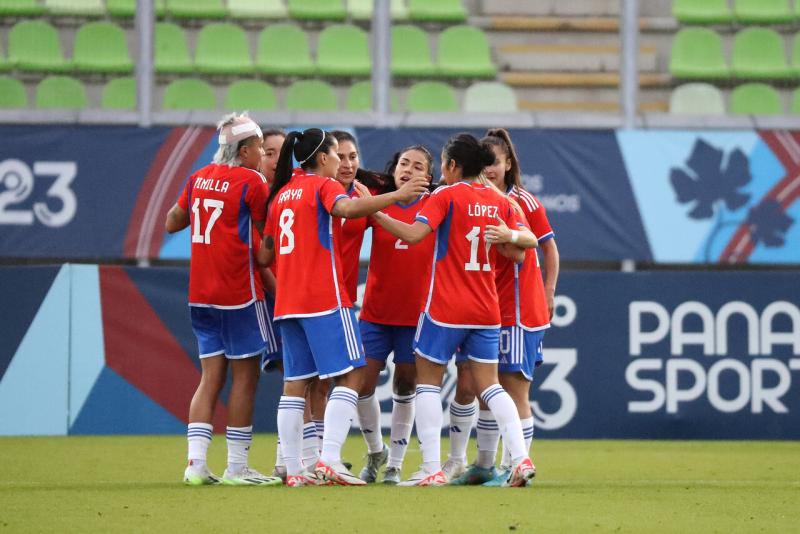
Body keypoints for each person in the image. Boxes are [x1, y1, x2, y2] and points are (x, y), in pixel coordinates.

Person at [258, 128, 429, 487]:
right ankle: (330, 460)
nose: (341, 163)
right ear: (322, 158)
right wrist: (396, 195)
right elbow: (347, 208)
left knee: (294, 385)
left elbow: (265, 253)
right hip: (323, 298)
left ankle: (294, 470)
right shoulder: (323, 186)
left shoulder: (281, 195)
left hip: (288, 304)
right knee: (353, 375)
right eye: (337, 155)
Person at [370, 133, 539, 487]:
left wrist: (378, 214)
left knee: (428, 385)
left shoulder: (446, 195)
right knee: (491, 387)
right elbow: (521, 251)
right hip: (486, 309)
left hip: (444, 308)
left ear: (451, 165)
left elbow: (415, 235)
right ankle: (521, 459)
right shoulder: (499, 202)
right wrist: (508, 238)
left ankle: (432, 468)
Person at [165, 112, 281, 486]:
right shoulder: (253, 182)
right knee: (245, 378)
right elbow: (264, 249)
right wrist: (271, 251)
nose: (262, 153)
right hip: (238, 292)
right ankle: (236, 466)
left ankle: (196, 465)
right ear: (245, 150)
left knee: (210, 377)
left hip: (200, 293)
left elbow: (171, 221)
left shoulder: (198, 177)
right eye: (260, 147)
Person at [449, 128, 560, 486]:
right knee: (476, 386)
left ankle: (516, 466)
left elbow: (542, 248)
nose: (490, 169)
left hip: (516, 309)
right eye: (486, 163)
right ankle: (483, 464)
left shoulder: (521, 202)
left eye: (496, 162)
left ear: (508, 163)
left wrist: (549, 291)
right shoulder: (473, 198)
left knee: (513, 387)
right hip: (483, 308)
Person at [355, 145, 436, 484]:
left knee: (406, 385)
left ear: (428, 178)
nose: (408, 169)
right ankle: (377, 451)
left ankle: (396, 464)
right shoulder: (379, 198)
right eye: (403, 162)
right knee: (360, 386)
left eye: (418, 166)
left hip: (415, 316)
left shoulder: (435, 205)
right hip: (375, 312)